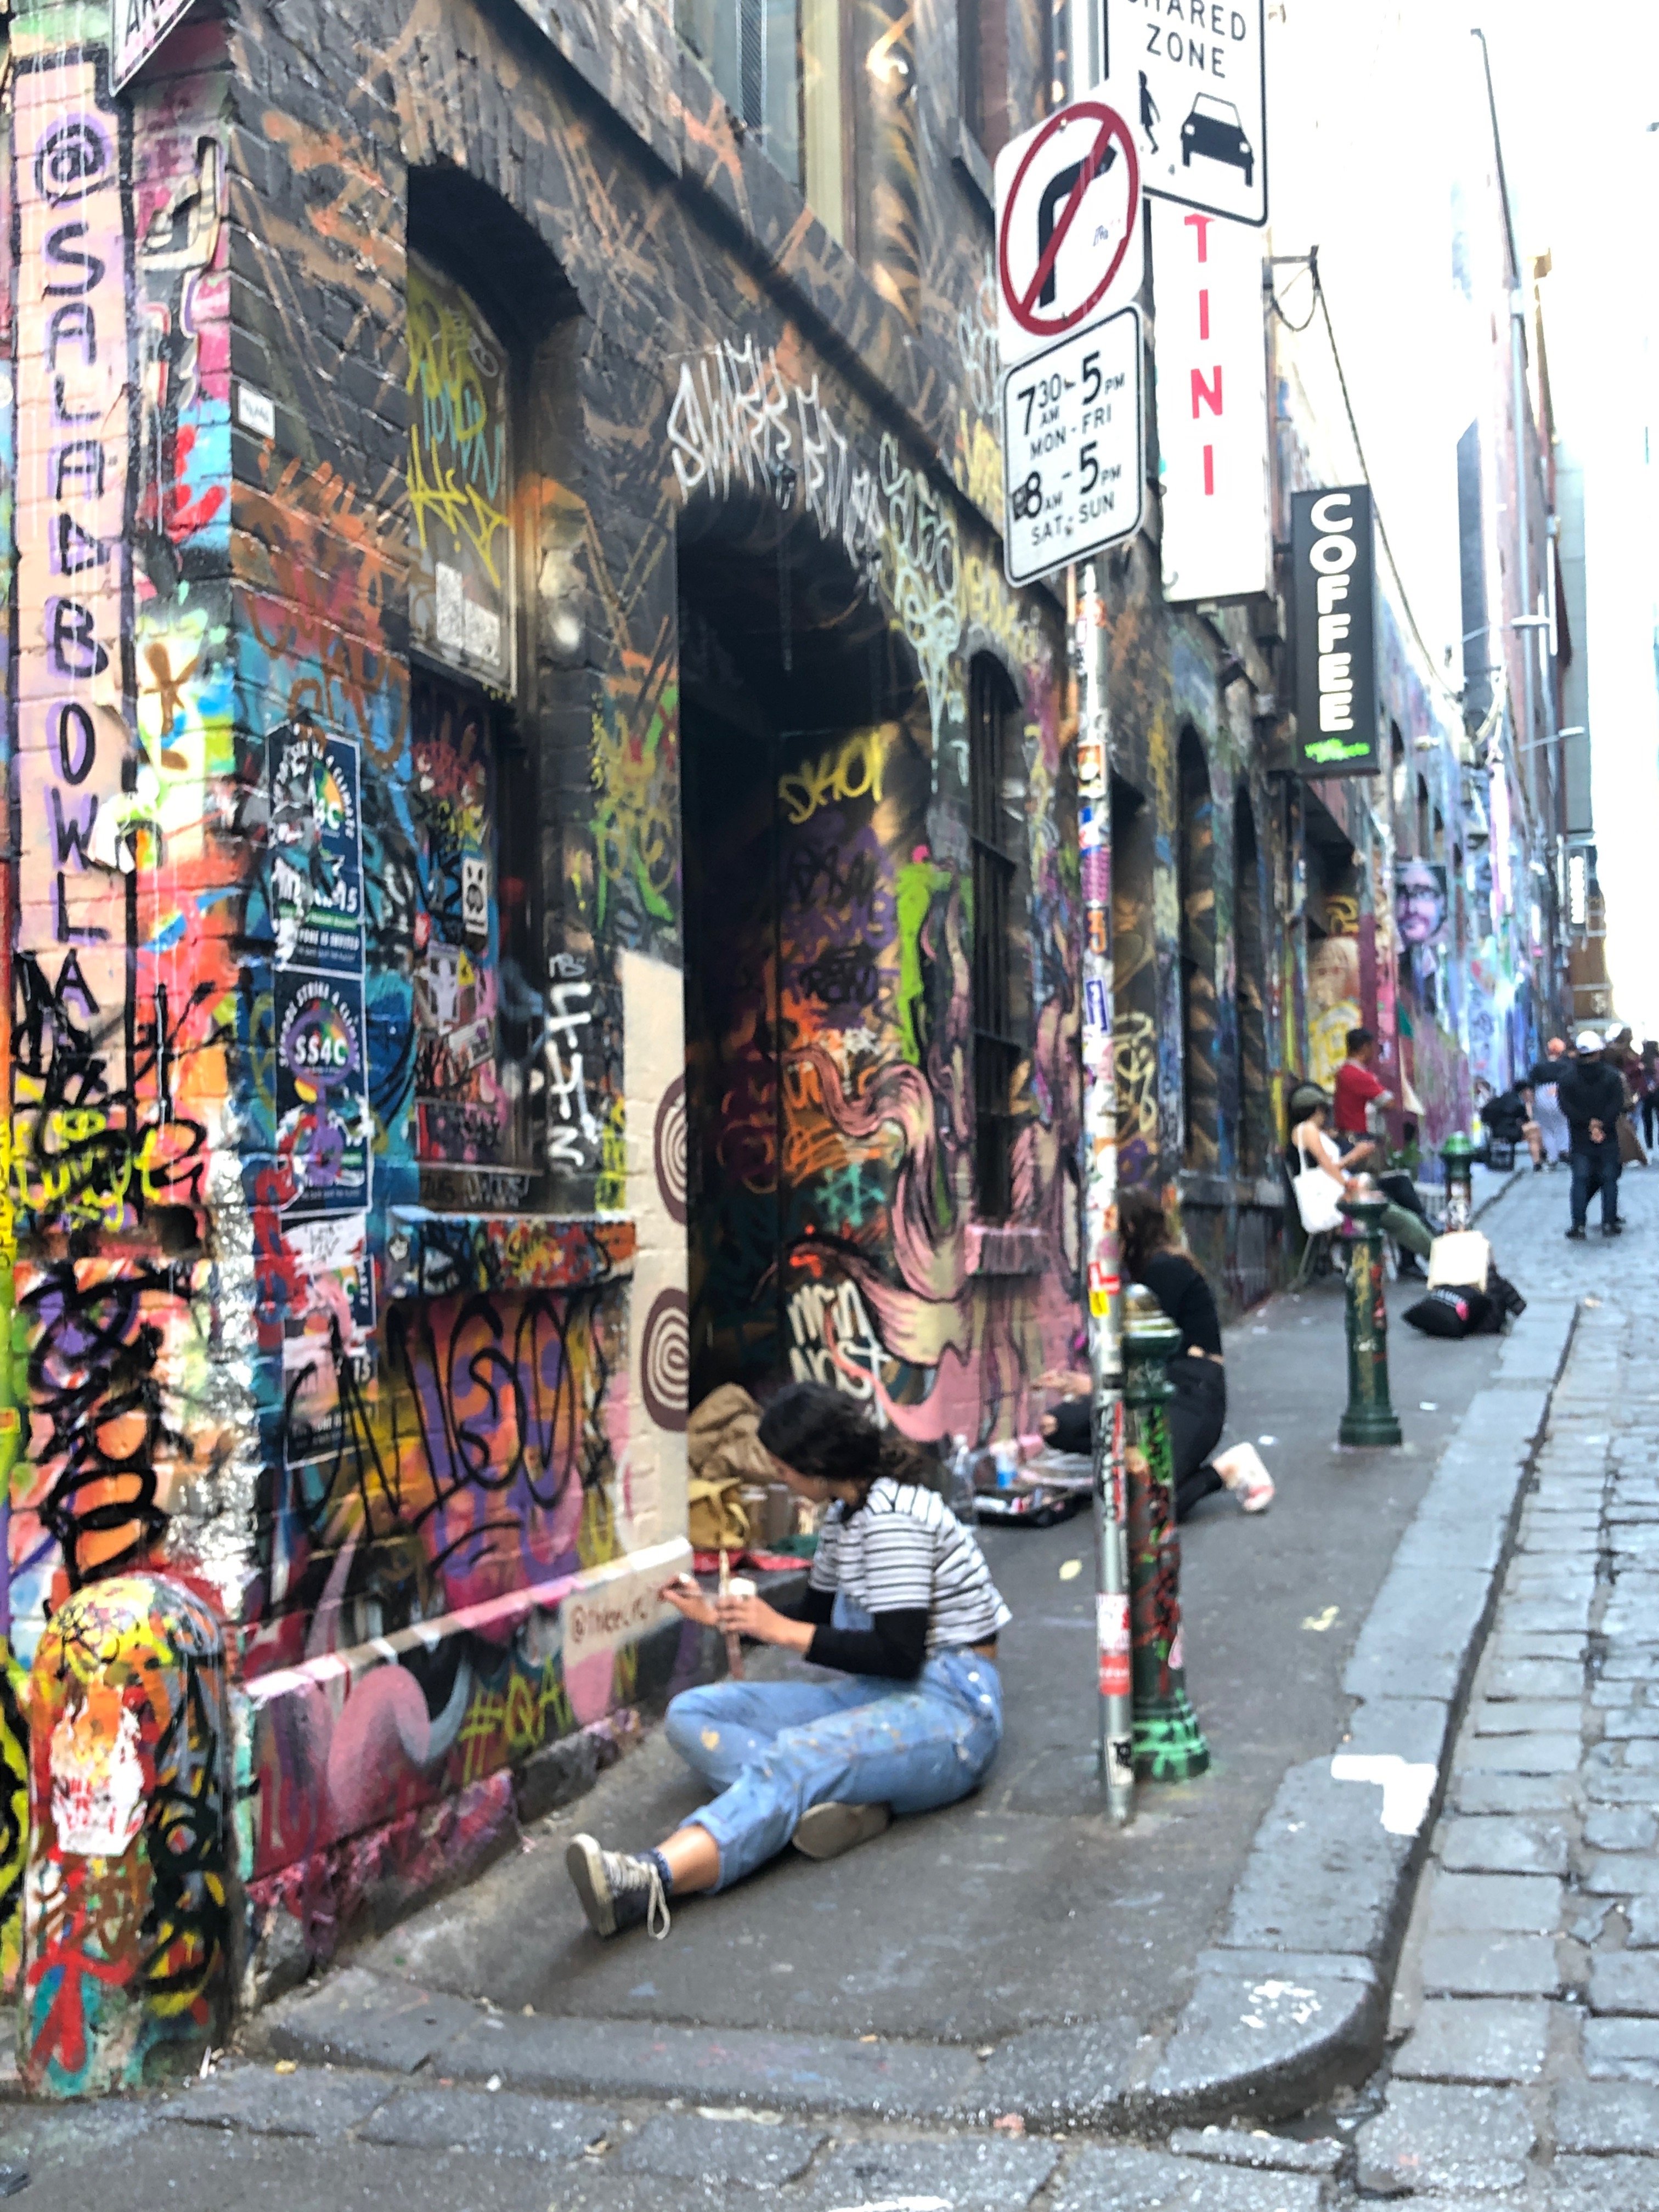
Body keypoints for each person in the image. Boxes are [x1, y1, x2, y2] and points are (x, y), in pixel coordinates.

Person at [563, 1383, 1009, 1940]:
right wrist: (715, 1615)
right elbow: (814, 1612)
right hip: (880, 1689)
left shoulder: (895, 1516)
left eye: (784, 1468)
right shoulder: (844, 1516)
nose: (780, 1479)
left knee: (797, 1755)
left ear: (818, 1464)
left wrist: (776, 1628)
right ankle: (831, 1798)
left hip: (952, 1707)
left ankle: (650, 1880)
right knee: (693, 1714)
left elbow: (899, 1652)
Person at [1038, 1189, 1273, 1519]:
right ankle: (1133, 1471)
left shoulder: (1165, 1270)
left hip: (1192, 1392)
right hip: (1164, 1387)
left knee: (1153, 1503)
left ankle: (1223, 1470)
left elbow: (1152, 1366)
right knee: (1056, 1425)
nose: (1105, 1239)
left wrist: (1094, 1386)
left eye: (1112, 1229)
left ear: (1131, 1230)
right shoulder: (1150, 1271)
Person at [1290, 1084, 1435, 1270]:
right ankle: (1434, 1252)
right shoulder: (1308, 1129)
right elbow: (1327, 1166)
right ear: (1318, 1109)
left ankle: (1426, 1236)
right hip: (1339, 1196)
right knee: (1401, 1218)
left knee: (1400, 1191)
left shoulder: (1311, 1131)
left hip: (1341, 1191)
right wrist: (1351, 1174)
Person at [1558, 1029, 1626, 1239]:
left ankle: (1578, 1225)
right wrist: (1601, 1124)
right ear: (1598, 1051)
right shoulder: (1612, 1076)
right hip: (1608, 1135)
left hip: (1580, 1137)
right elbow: (1616, 1104)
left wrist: (1586, 1124)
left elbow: (1565, 1106)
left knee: (1580, 1180)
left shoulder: (1567, 1079)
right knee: (1609, 1180)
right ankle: (1609, 1222)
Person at [1332, 1028, 1392, 1170]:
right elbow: (1389, 1103)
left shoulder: (1344, 1073)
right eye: (1372, 1047)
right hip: (1360, 1140)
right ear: (1365, 1047)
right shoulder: (1358, 1075)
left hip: (1348, 1137)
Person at [1525, 1039, 1570, 1170]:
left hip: (1542, 1095)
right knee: (1562, 1125)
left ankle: (1552, 1156)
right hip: (1559, 1093)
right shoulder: (1566, 1066)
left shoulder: (1539, 1066)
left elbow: (1530, 1084)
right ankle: (1564, 1150)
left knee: (1546, 1128)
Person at [1643, 1042, 1659, 1152]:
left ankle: (1649, 1146)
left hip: (1646, 1094)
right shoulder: (1657, 1060)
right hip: (1658, 1093)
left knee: (1648, 1121)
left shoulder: (1641, 1060)